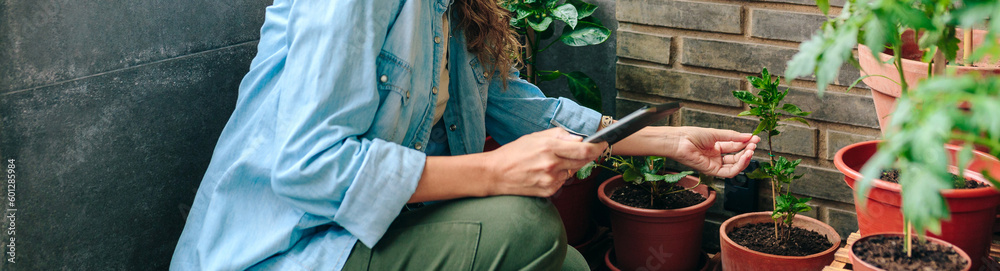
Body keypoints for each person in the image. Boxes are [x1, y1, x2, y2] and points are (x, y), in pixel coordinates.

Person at [170, 0, 760, 270]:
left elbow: (517, 107)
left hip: (366, 235)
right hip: (291, 249)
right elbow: (308, 165)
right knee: (522, 227)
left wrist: (668, 143)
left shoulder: (453, 10)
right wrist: (495, 173)